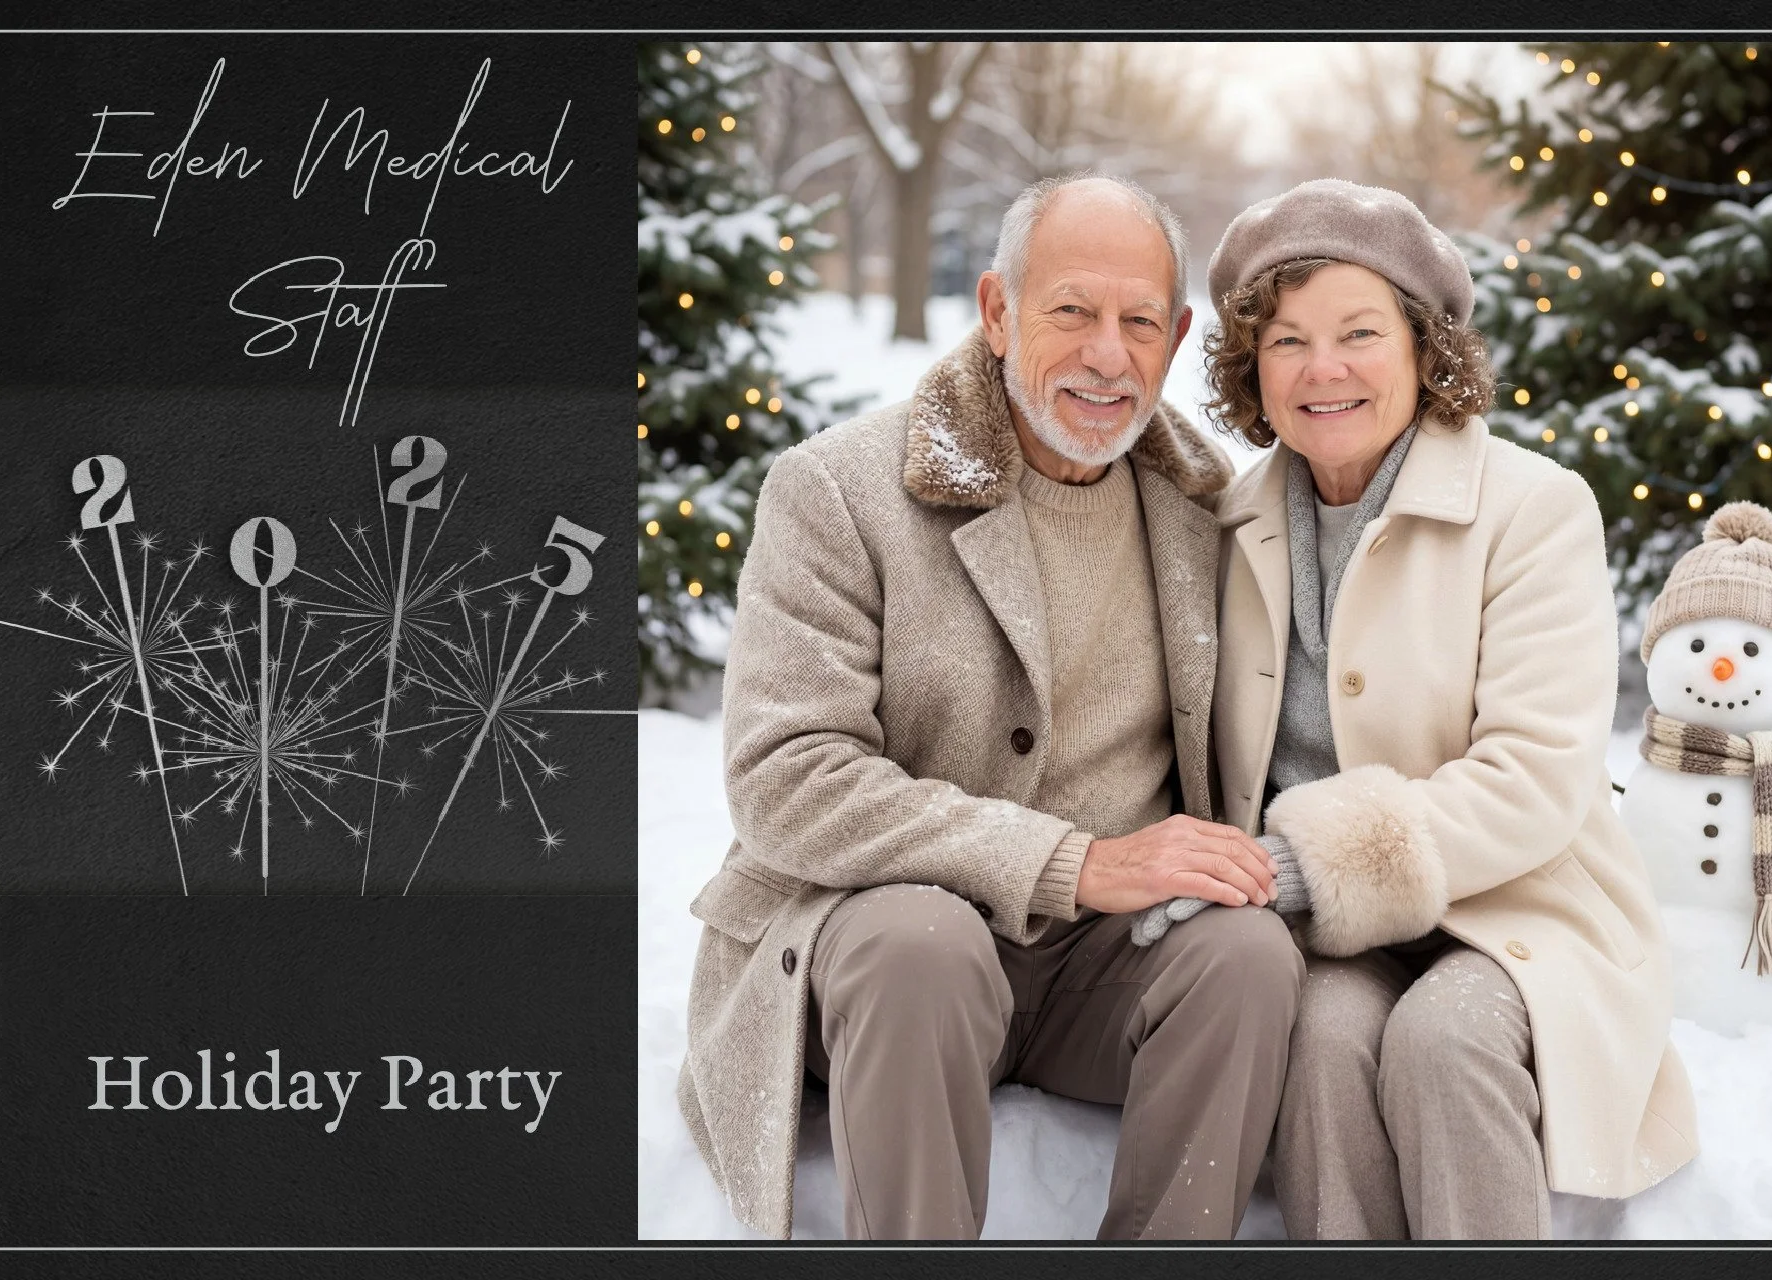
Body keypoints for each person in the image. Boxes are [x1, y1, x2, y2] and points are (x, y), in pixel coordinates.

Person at [675, 173, 1306, 1241]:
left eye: (1139, 320)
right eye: (1071, 310)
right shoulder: (839, 489)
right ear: (998, 309)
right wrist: (1072, 861)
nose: (1109, 353)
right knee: (923, 941)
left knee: (1247, 959)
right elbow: (787, 777)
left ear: (1177, 333)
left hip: (1101, 968)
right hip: (883, 954)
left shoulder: (1213, 509)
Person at [1134, 178, 1698, 1238]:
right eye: (1288, 340)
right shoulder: (1222, 518)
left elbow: (1535, 774)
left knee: (1444, 1038)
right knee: (1320, 1032)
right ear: (1252, 365)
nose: (1324, 368)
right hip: (1331, 940)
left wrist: (1312, 862)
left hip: (1518, 912)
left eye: (1359, 332)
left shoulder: (1534, 508)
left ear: (1425, 347)